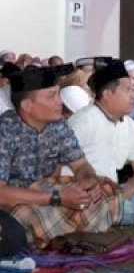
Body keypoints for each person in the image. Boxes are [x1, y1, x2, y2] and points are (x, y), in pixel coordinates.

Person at [0, 67, 123, 247]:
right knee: (19, 227)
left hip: (48, 193)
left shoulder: (58, 126)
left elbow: (81, 165)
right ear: (27, 106)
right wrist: (57, 198)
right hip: (16, 199)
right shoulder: (5, 130)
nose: (59, 102)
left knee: (105, 189)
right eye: (51, 96)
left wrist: (89, 182)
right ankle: (64, 231)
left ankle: (58, 233)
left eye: (58, 94)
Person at [66, 60, 134, 225]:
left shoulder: (129, 125)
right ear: (108, 94)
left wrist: (129, 189)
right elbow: (61, 171)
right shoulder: (84, 120)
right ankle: (127, 214)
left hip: (116, 194)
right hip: (86, 195)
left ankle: (123, 213)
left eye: (133, 90)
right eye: (127, 90)